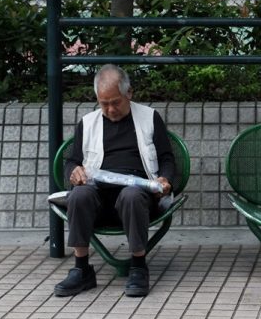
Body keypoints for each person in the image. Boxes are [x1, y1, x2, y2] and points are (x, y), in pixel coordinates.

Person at [54, 64, 175, 298]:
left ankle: (138, 267)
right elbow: (72, 160)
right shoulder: (88, 122)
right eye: (103, 103)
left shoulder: (149, 117)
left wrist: (165, 179)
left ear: (129, 93)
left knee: (130, 194)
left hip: (137, 195)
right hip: (98, 195)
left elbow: (167, 158)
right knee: (78, 195)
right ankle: (82, 270)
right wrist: (75, 171)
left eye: (115, 102)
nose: (110, 109)